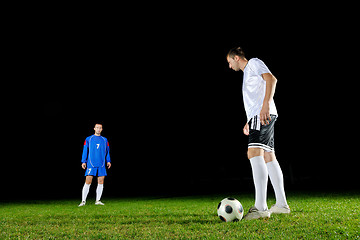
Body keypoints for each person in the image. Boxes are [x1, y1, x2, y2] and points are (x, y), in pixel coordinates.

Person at [226, 47, 290, 220]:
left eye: (230, 62)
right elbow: (256, 96)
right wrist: (249, 120)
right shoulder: (247, 73)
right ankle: (281, 204)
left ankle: (261, 207)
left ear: (237, 58)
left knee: (254, 153)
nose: (230, 67)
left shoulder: (253, 63)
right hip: (259, 115)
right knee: (269, 156)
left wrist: (266, 104)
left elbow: (272, 79)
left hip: (263, 114)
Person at [78, 123, 111, 207]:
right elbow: (85, 150)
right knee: (88, 181)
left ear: (102, 129)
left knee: (101, 181)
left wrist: (108, 161)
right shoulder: (89, 139)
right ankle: (83, 201)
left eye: (100, 128)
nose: (98, 129)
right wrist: (83, 161)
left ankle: (98, 200)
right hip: (91, 163)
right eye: (97, 128)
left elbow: (107, 151)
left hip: (102, 163)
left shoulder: (105, 140)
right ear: (94, 128)